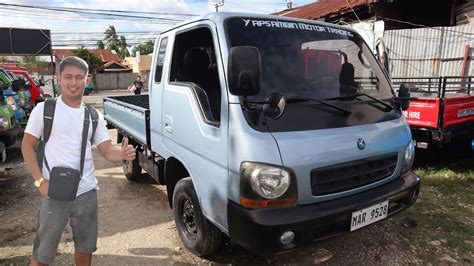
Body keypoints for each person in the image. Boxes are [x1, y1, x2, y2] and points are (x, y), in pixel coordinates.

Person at [21, 56, 136, 266]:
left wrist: (122, 153)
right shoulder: (44, 110)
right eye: (68, 77)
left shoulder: (94, 116)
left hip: (86, 193)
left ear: (87, 80)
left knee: (85, 249)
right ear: (58, 79)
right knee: (43, 253)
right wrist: (40, 182)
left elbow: (106, 149)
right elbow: (26, 146)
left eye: (79, 77)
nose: (73, 82)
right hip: (53, 192)